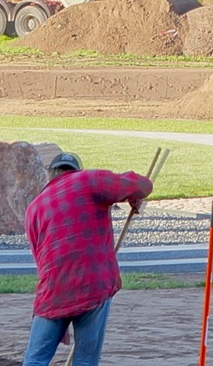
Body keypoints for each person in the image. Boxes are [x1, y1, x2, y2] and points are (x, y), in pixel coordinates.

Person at [21, 151, 154, 366]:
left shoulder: (34, 207)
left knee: (35, 360)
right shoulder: (89, 180)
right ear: (76, 171)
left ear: (51, 175)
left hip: (53, 290)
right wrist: (135, 196)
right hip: (93, 283)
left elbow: (40, 259)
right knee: (85, 361)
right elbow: (140, 185)